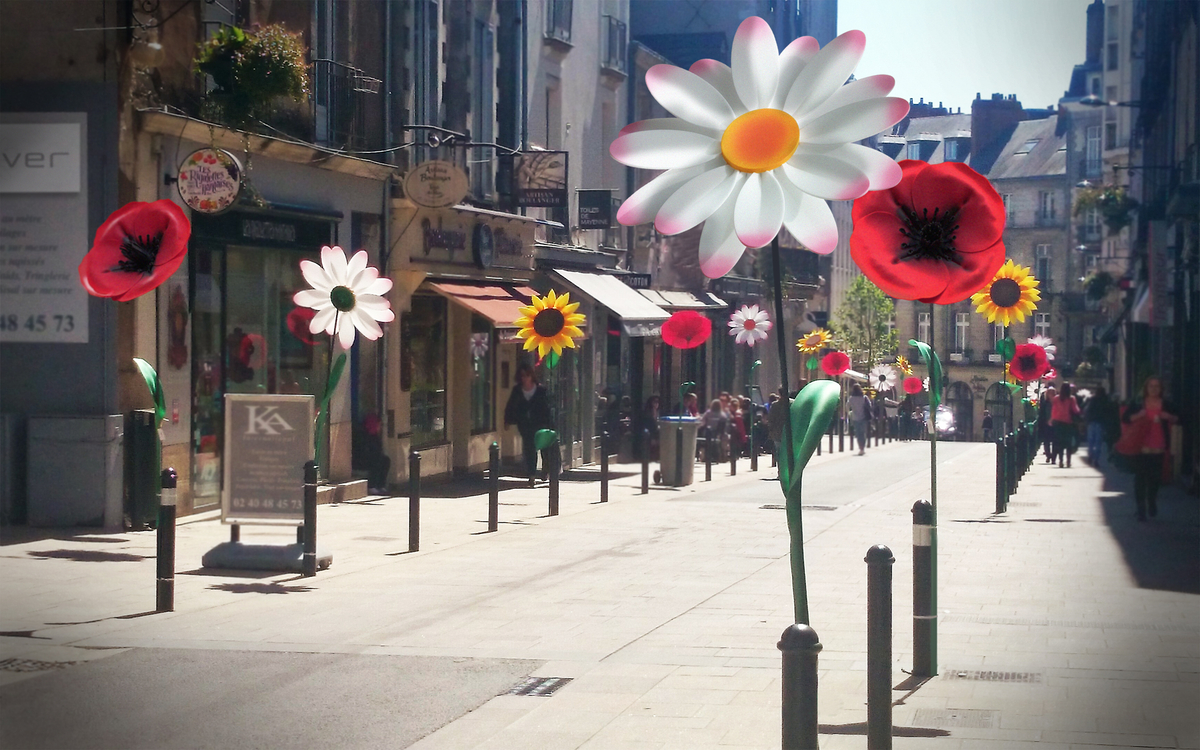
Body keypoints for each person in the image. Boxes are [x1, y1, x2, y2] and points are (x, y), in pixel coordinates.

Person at [1121, 377, 1178, 520]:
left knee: (1155, 478)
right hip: (1140, 446)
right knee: (1140, 478)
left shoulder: (1165, 404)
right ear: (1146, 388)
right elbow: (1126, 418)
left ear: (1161, 389)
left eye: (1157, 386)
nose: (1154, 389)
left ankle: (1151, 500)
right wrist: (1138, 415)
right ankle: (1141, 509)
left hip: (1159, 446)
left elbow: (1179, 418)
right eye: (1151, 386)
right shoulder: (1139, 403)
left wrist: (1168, 417)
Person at [504, 364, 553, 483]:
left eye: (527, 375)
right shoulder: (517, 390)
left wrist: (550, 424)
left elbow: (547, 408)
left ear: (532, 376)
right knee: (530, 448)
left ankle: (546, 469)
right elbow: (511, 406)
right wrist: (508, 420)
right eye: (522, 376)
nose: (524, 378)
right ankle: (531, 474)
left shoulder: (541, 390)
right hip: (525, 424)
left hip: (540, 423)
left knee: (544, 448)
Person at [1050, 383, 1082, 467]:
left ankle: (1061, 461)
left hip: (1058, 422)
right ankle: (1068, 461)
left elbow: (1054, 410)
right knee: (1068, 443)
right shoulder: (1071, 399)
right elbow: (1076, 410)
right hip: (1068, 422)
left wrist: (1052, 419)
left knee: (1060, 443)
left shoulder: (1056, 398)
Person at [1084, 387, 1117, 468]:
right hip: (1101, 423)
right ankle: (1096, 459)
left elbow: (1088, 410)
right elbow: (1109, 412)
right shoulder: (1106, 400)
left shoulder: (1093, 400)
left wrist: (1087, 420)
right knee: (1098, 442)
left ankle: (1091, 455)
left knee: (1091, 441)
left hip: (1092, 422)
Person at [848, 383, 873, 455]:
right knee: (863, 433)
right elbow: (870, 406)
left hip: (855, 418)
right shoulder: (864, 397)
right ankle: (863, 448)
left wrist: (850, 412)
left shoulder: (851, 398)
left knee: (858, 434)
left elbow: (847, 405)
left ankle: (860, 447)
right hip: (864, 417)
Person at [1038, 385, 1056, 463]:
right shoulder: (1045, 402)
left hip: (1055, 423)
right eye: (1049, 393)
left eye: (1052, 393)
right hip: (1045, 423)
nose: (1051, 394)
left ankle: (1054, 457)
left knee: (1055, 441)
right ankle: (1048, 455)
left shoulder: (1057, 402)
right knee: (1046, 441)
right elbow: (1042, 413)